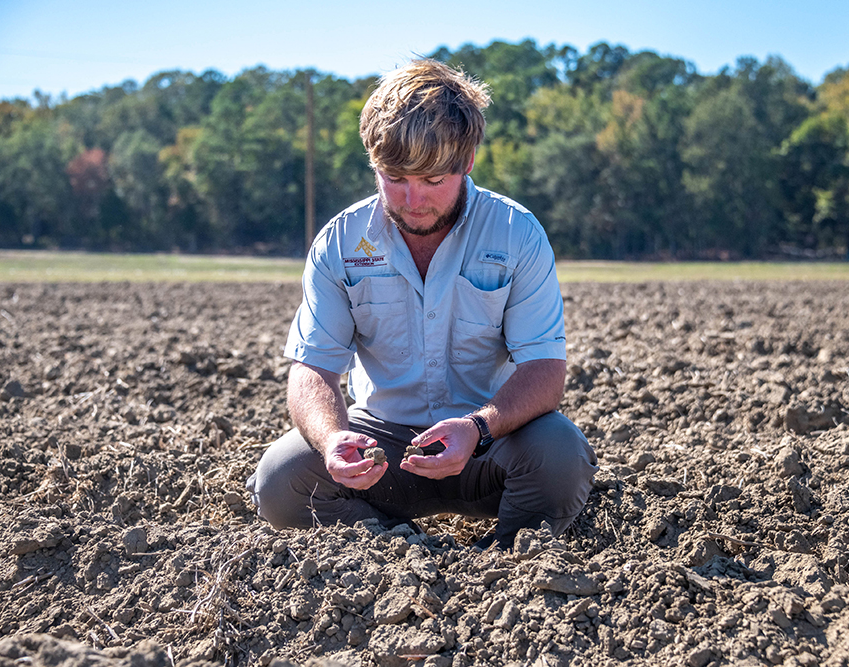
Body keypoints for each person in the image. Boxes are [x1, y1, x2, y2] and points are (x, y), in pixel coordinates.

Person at [246, 59, 597, 549]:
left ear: (468, 159)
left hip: (490, 446)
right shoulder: (341, 242)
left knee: (562, 454)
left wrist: (478, 427)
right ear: (373, 162)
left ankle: (509, 558)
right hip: (382, 453)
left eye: (433, 180)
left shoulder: (517, 233)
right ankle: (396, 546)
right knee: (280, 482)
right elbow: (312, 370)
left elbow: (544, 367)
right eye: (395, 177)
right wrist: (332, 442)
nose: (413, 200)